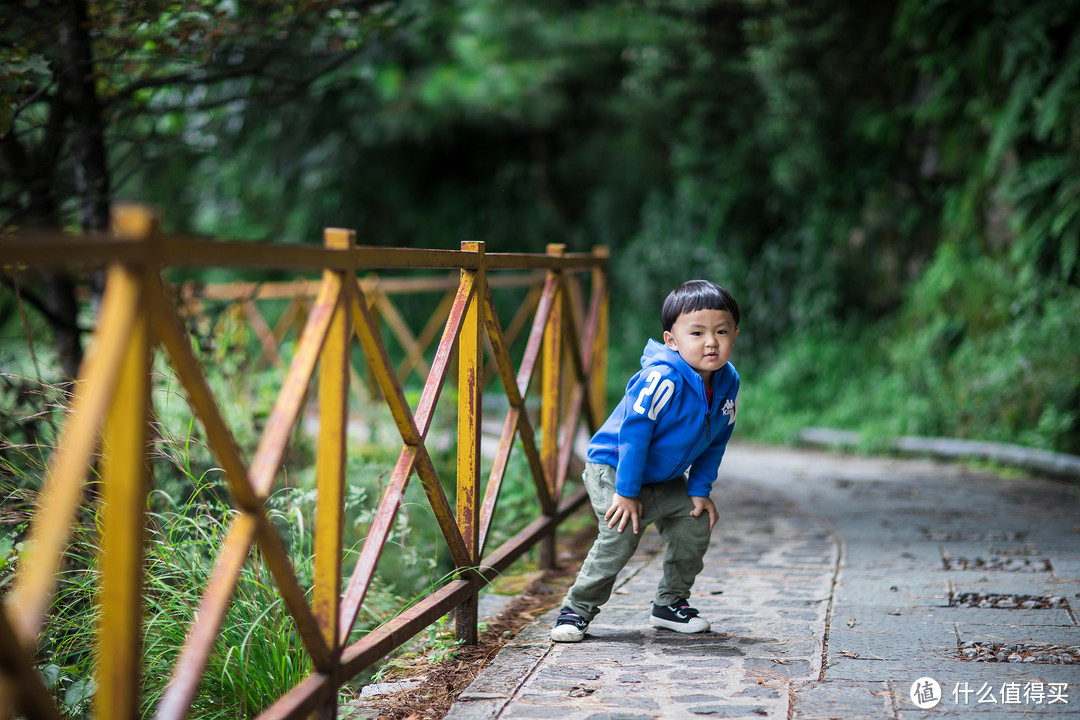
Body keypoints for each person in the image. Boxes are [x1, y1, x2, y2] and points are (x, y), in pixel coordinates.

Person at [551, 279, 740, 643]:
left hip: (662, 478)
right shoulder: (661, 378)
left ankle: (669, 605)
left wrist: (700, 489)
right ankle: (576, 610)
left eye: (721, 331)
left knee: (694, 523)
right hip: (614, 468)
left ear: (734, 333)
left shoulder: (727, 381)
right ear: (672, 340)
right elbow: (633, 437)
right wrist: (626, 492)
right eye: (697, 332)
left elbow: (717, 438)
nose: (711, 342)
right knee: (621, 532)